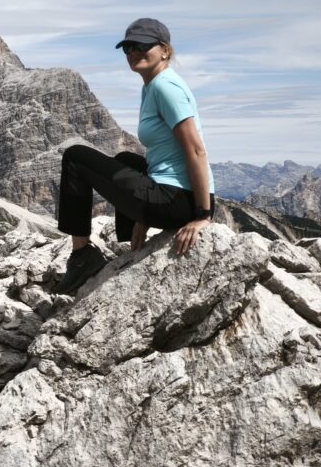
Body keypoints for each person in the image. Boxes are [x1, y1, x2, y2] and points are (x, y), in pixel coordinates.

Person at [55, 18, 215, 294]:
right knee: (126, 160)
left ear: (165, 50)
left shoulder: (165, 87)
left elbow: (196, 150)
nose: (133, 52)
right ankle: (132, 244)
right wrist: (143, 217)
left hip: (178, 200)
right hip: (174, 195)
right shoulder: (152, 85)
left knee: (75, 156)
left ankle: (82, 257)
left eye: (142, 45)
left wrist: (203, 215)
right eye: (128, 47)